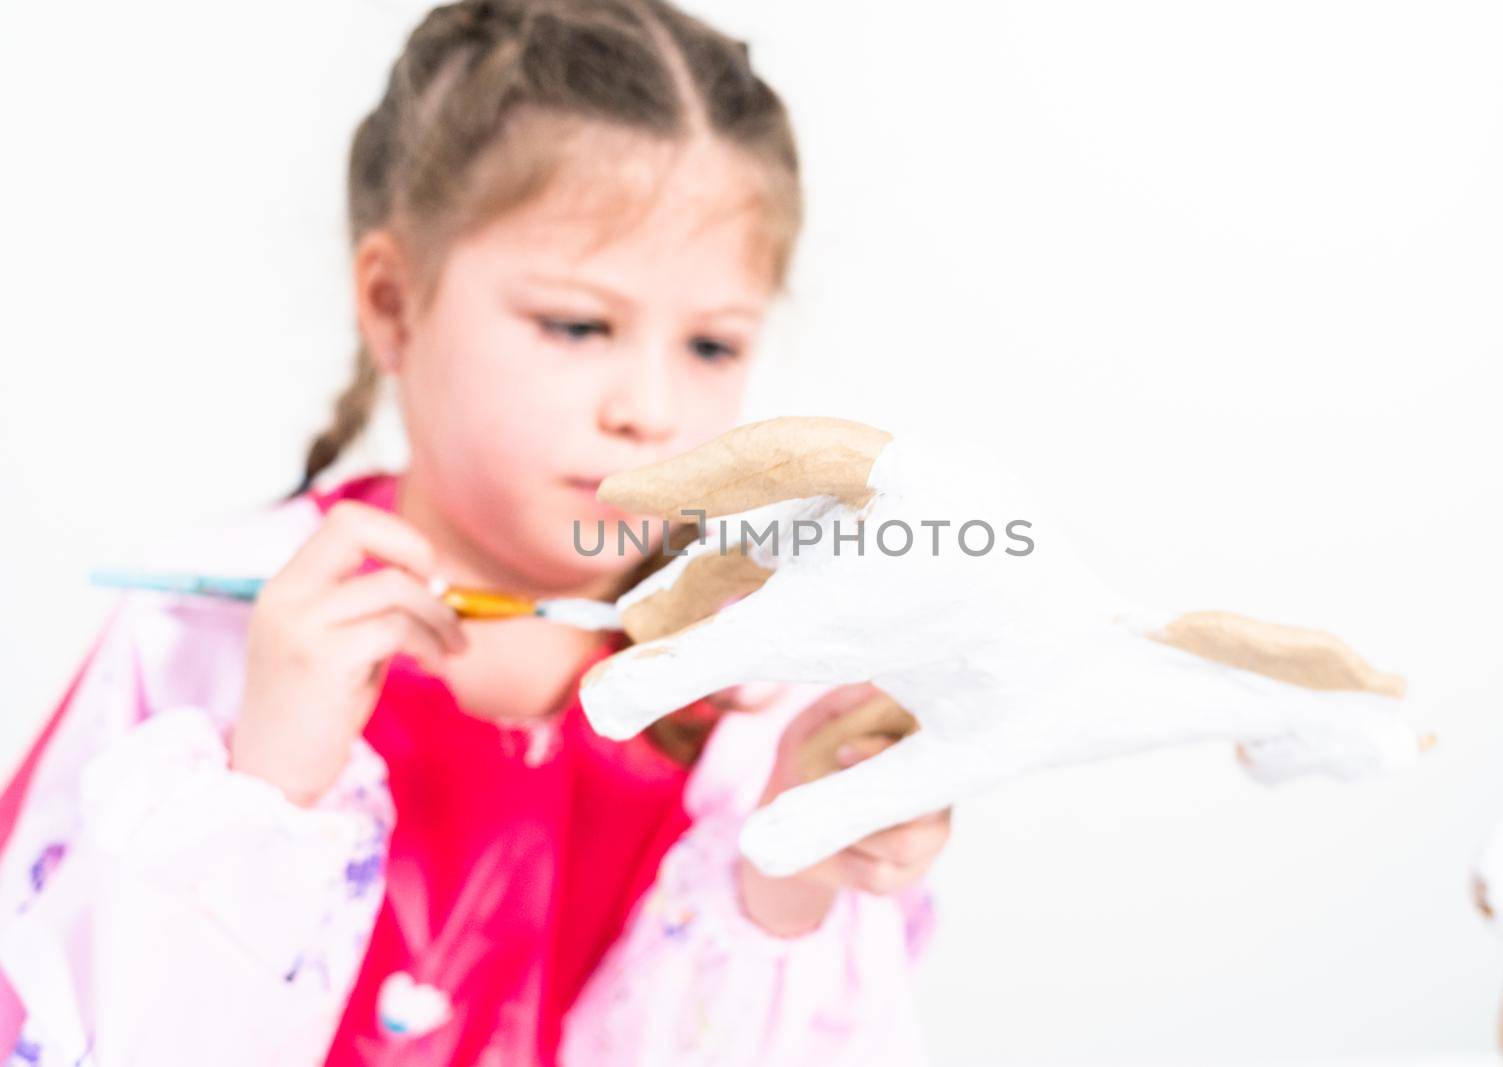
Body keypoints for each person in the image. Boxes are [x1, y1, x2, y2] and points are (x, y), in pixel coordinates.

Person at [0, 2, 946, 1063]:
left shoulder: (749, 692)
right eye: (578, 324)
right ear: (395, 303)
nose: (651, 407)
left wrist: (783, 881)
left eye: (712, 346)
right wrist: (264, 795)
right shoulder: (200, 631)